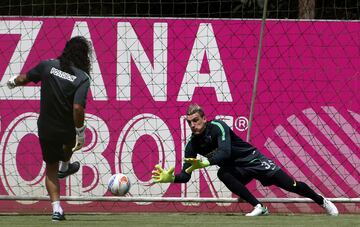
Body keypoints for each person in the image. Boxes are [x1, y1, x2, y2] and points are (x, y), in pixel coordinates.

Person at [152, 104, 339, 216]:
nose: (192, 125)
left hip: (253, 160)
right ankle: (259, 207)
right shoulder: (192, 145)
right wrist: (173, 178)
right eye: (189, 122)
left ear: (204, 119)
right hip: (237, 171)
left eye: (195, 120)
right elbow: (186, 175)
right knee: (223, 173)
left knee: (291, 185)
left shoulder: (218, 126)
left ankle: (321, 201)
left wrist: (205, 162)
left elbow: (224, 153)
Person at [7, 36, 92, 221]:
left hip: (45, 127)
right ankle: (66, 165)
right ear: (84, 57)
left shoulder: (47, 65)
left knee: (50, 167)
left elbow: (24, 78)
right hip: (66, 129)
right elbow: (78, 108)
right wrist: (81, 132)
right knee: (72, 141)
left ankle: (56, 210)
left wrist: (12, 81)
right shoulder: (82, 78)